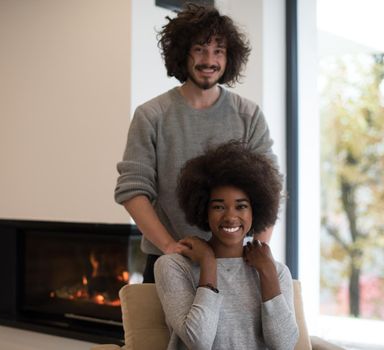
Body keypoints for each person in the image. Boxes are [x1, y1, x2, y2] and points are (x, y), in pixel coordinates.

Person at [114, 3, 278, 282]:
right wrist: (168, 246)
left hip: (234, 263)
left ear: (229, 57)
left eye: (218, 51)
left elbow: (271, 188)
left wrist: (258, 249)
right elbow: (132, 189)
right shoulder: (151, 115)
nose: (209, 60)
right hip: (167, 262)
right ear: (182, 54)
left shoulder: (249, 115)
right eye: (199, 49)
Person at [154, 140, 298, 350]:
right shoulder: (174, 267)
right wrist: (208, 263)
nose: (231, 216)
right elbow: (198, 341)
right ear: (203, 210)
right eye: (219, 207)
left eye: (241, 206)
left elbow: (284, 345)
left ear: (255, 211)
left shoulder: (276, 271)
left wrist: (267, 272)